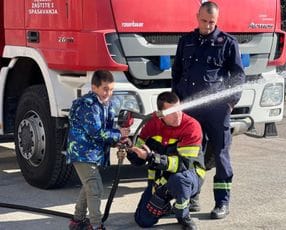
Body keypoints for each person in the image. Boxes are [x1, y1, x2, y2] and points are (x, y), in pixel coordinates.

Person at [172, 1, 245, 219]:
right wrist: (176, 100)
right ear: (197, 16)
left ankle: (222, 203)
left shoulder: (228, 43)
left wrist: (230, 102)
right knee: (192, 153)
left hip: (216, 110)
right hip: (190, 109)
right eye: (204, 21)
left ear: (217, 20)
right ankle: (192, 196)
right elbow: (177, 72)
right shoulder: (186, 42)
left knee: (221, 155)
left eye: (211, 22)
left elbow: (238, 75)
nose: (207, 26)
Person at [127, 92, 205, 230]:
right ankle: (166, 206)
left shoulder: (192, 126)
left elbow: (182, 164)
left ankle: (183, 216)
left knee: (179, 180)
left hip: (189, 176)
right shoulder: (151, 125)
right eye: (172, 112)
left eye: (179, 109)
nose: (178, 115)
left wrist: (152, 157)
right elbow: (137, 160)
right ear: (161, 114)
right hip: (160, 183)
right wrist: (128, 147)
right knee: (142, 220)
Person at [66, 70, 130, 230]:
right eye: (105, 89)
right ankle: (95, 225)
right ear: (94, 88)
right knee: (94, 187)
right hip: (82, 153)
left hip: (92, 153)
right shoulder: (88, 105)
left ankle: (77, 220)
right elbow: (97, 132)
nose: (109, 93)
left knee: (90, 185)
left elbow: (106, 131)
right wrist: (118, 134)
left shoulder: (105, 104)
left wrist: (118, 140)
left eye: (111, 89)